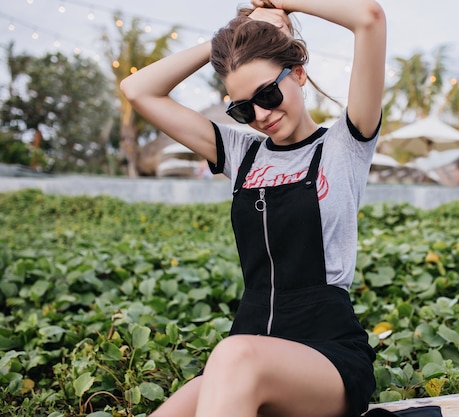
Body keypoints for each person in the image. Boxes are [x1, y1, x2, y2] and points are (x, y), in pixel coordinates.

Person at [120, 1, 386, 416]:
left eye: (267, 94)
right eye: (243, 108)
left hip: (325, 355)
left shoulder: (344, 144)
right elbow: (138, 90)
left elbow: (369, 18)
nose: (260, 115)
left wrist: (281, 4)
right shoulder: (240, 153)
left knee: (232, 354)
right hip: (246, 350)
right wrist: (230, 35)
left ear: (298, 73)